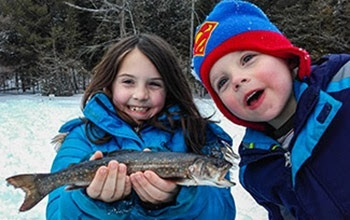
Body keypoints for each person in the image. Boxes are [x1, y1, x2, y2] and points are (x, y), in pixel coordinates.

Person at [46, 33, 236, 219]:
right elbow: (56, 213)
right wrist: (88, 201)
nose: (141, 94)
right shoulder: (80, 137)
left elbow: (223, 212)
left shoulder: (197, 135)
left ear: (169, 88)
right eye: (128, 82)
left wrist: (180, 200)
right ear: (109, 84)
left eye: (154, 84)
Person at [192, 0, 350, 219]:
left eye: (247, 59)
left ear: (284, 56)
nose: (237, 79)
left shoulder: (345, 85)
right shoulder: (256, 169)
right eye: (222, 82)